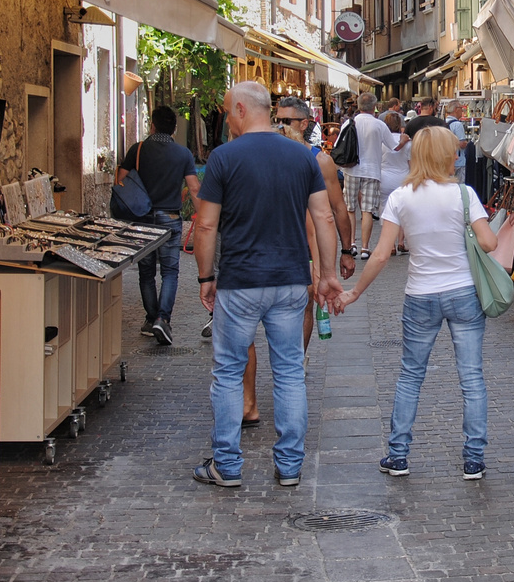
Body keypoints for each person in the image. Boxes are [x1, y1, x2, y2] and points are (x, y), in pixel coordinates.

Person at [193, 82, 342, 489]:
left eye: (227, 112)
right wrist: (327, 274)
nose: (226, 120)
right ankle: (290, 466)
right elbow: (324, 218)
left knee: (228, 371)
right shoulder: (302, 156)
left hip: (240, 280)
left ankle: (226, 464)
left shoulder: (223, 159)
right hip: (291, 280)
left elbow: (205, 225)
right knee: (290, 372)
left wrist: (206, 277)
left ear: (241, 109)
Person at [340, 127, 497, 480]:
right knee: (471, 377)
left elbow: (380, 255)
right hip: (463, 292)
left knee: (410, 376)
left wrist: (356, 293)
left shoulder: (401, 197)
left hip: (420, 295)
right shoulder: (465, 194)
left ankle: (398, 456)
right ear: (446, 155)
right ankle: (473, 459)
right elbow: (488, 243)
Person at [229, 96, 358, 426]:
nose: (280, 126)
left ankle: (293, 364)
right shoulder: (258, 155)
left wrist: (345, 251)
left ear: (304, 123)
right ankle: (272, 387)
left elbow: (333, 212)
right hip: (274, 255)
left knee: (301, 311)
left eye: (288, 121)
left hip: (300, 252)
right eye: (278, 119)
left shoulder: (319, 161)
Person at [114, 105, 200, 347]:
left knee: (146, 271)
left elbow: (120, 180)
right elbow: (194, 187)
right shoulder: (183, 154)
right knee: (171, 271)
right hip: (170, 218)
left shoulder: (138, 149)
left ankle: (151, 318)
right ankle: (164, 319)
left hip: (142, 218)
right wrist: (204, 216)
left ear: (152, 125)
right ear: (174, 128)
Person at [344, 92, 391, 259]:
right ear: (374, 106)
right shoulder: (379, 125)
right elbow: (393, 146)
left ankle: (351, 244)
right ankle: (365, 248)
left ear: (358, 105)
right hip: (372, 171)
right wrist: (405, 139)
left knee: (350, 209)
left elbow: (338, 145)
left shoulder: (349, 123)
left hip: (351, 169)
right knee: (367, 211)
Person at [378, 112, 411, 256]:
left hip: (384, 177)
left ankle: (390, 244)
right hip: (402, 178)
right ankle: (401, 242)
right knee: (403, 210)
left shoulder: (382, 141)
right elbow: (411, 164)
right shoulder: (408, 143)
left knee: (386, 210)